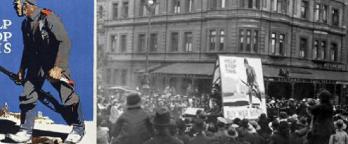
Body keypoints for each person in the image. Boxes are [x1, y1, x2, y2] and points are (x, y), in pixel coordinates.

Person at [9, 0, 85, 143]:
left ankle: (78, 128)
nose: (15, 7)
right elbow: (28, 49)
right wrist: (21, 69)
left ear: (27, 3)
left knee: (68, 95)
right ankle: (25, 131)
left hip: (54, 63)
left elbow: (65, 41)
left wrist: (58, 67)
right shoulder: (25, 24)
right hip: (35, 65)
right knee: (27, 94)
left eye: (16, 3)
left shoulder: (48, 17)